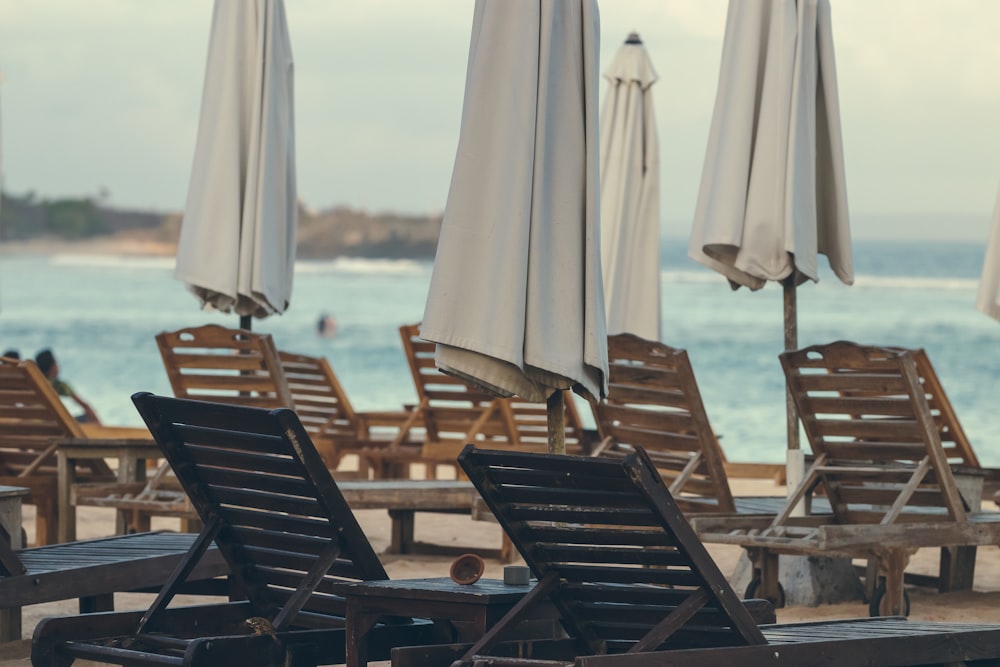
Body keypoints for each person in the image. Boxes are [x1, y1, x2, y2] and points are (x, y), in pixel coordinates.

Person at [34, 348, 103, 425]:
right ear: (52, 367)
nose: (58, 367)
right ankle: (104, 433)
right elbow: (85, 405)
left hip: (33, 425)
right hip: (55, 426)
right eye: (56, 364)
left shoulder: (32, 383)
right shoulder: (58, 385)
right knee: (88, 416)